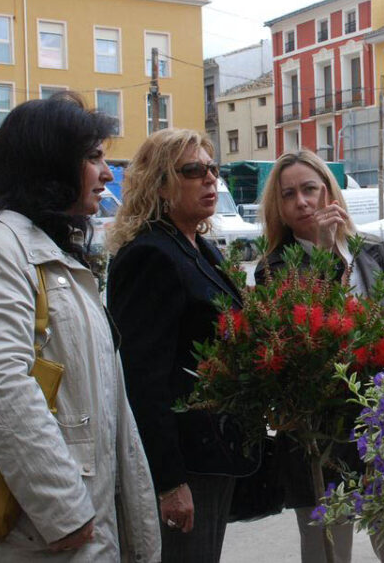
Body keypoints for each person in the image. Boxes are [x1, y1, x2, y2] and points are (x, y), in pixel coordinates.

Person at [0, 94, 160, 561]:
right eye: (93, 158)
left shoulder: (51, 253)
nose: (109, 173)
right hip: (30, 537)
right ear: (49, 163)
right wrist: (65, 512)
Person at [255, 149, 384, 563]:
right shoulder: (272, 268)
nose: (302, 201)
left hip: (381, 418)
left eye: (310, 189)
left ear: (330, 193)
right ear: (281, 210)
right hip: (317, 428)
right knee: (327, 550)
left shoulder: (373, 251)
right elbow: (305, 335)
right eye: (289, 195)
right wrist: (324, 258)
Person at [107, 129, 248, 563]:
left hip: (214, 450)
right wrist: (169, 481)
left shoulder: (200, 248)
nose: (210, 180)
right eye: (193, 171)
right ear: (159, 182)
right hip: (184, 462)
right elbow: (143, 380)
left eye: (212, 169)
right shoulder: (150, 255)